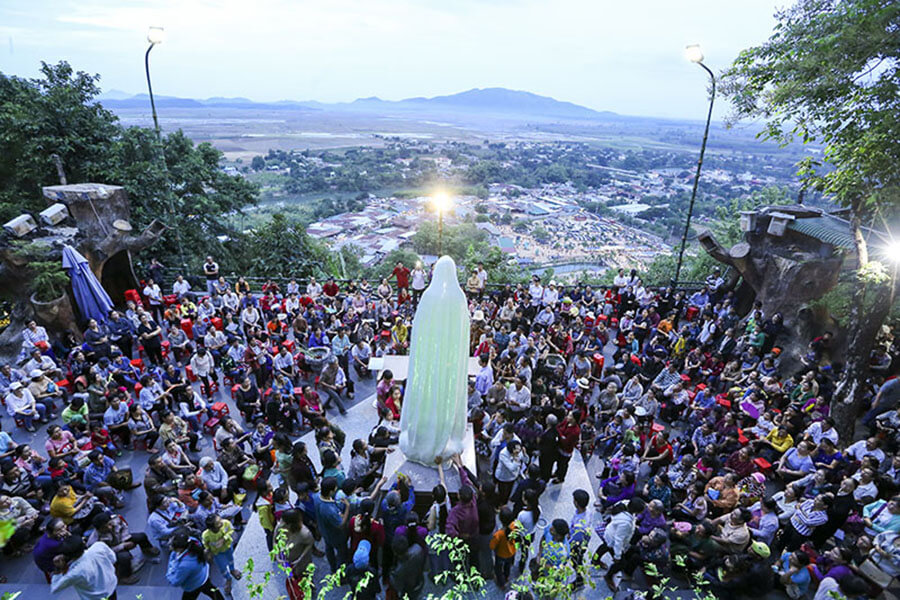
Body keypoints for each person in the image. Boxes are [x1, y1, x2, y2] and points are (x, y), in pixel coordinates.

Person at [50, 536, 118, 600]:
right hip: (112, 586)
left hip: (98, 598)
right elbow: (113, 559)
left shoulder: (76, 573)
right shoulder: (99, 546)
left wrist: (59, 569)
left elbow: (55, 588)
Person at [167, 529, 226, 600]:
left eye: (172, 544)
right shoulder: (193, 541)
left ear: (180, 548)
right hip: (203, 574)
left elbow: (175, 581)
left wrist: (171, 565)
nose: (169, 544)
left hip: (193, 585)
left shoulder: (185, 565)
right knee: (212, 590)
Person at [202, 514, 242, 595]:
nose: (221, 522)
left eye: (220, 520)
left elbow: (231, 530)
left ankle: (232, 570)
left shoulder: (226, 523)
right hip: (217, 553)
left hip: (228, 548)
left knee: (231, 560)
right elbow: (205, 544)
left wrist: (224, 539)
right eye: (218, 523)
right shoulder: (206, 535)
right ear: (212, 528)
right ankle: (228, 578)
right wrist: (208, 551)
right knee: (222, 567)